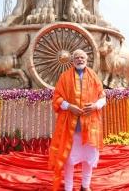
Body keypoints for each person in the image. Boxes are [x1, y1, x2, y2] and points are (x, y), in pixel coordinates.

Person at [49, 49, 106, 191]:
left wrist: (95, 106)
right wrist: (69, 107)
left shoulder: (94, 76)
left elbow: (103, 97)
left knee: (89, 158)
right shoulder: (64, 77)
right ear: (72, 60)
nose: (80, 59)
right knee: (69, 160)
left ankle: (85, 186)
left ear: (86, 60)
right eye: (77, 57)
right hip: (71, 126)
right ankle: (68, 188)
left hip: (90, 126)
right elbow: (57, 98)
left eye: (82, 57)